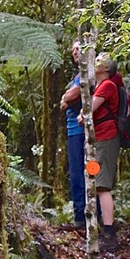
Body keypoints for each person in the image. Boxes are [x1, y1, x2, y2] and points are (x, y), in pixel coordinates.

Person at [79, 53, 121, 251]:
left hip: (106, 139)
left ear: (107, 68)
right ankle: (98, 227)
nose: (96, 61)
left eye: (101, 60)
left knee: (103, 185)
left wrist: (82, 115)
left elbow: (86, 113)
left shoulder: (107, 86)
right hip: (97, 140)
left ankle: (109, 233)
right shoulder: (98, 86)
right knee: (95, 180)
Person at [59, 41, 86, 230]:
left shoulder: (87, 74)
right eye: (73, 50)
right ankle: (82, 216)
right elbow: (64, 101)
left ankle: (83, 218)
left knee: (82, 173)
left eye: (78, 48)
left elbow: (68, 97)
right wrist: (67, 98)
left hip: (81, 132)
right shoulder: (79, 76)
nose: (75, 52)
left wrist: (67, 97)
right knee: (77, 174)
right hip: (73, 131)